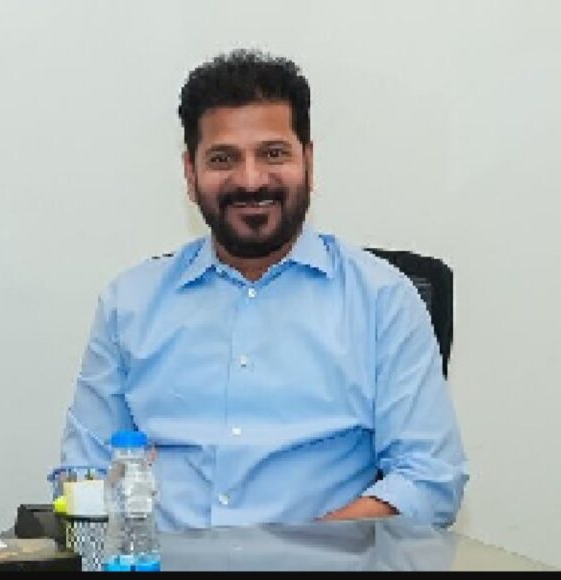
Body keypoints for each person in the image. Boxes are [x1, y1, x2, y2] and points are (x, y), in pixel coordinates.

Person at [58, 49, 468, 532]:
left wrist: (296, 554)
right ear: (190, 174)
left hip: (323, 563)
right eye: (223, 159)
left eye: (273, 154)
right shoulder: (129, 304)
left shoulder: (383, 300)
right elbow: (81, 475)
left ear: (309, 162)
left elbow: (428, 482)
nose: (251, 181)